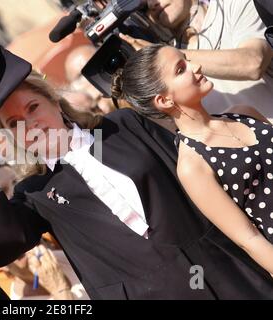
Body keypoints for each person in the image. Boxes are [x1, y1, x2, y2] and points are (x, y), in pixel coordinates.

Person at [0, 65, 273, 299]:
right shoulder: (36, 194)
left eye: (33, 107)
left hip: (228, 273)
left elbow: (203, 170)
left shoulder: (121, 126)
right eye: (14, 122)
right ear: (11, 136)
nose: (30, 123)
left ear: (55, 101)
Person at [113, 43, 273, 276]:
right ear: (164, 101)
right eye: (181, 69)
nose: (196, 66)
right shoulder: (192, 166)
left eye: (187, 59)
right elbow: (250, 238)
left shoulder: (245, 113)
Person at [125, 0, 273, 119]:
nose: (152, 4)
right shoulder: (163, 71)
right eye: (144, 8)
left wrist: (169, 55)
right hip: (247, 152)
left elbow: (253, 63)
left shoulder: (232, 5)